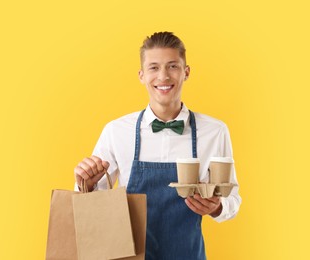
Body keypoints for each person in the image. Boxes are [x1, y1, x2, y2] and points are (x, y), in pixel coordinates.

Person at [74, 32, 241, 259]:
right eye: (153, 68)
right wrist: (88, 185)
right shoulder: (116, 131)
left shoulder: (215, 131)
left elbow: (233, 199)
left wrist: (216, 207)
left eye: (172, 66)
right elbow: (91, 206)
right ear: (141, 75)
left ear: (186, 72)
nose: (163, 76)